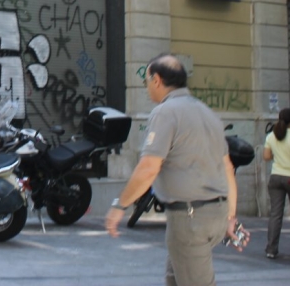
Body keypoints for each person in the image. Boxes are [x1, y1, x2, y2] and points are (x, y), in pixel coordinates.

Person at [105, 53, 248, 286]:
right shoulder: (208, 113)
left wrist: (120, 205)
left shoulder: (165, 112)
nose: (147, 87)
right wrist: (231, 217)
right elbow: (228, 168)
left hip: (190, 220)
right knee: (175, 278)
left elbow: (149, 168)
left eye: (146, 81)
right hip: (216, 214)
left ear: (157, 80)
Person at [263, 107, 290, 259]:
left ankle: (271, 249)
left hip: (275, 177)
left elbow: (266, 156)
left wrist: (278, 155)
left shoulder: (271, 136)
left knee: (275, 214)